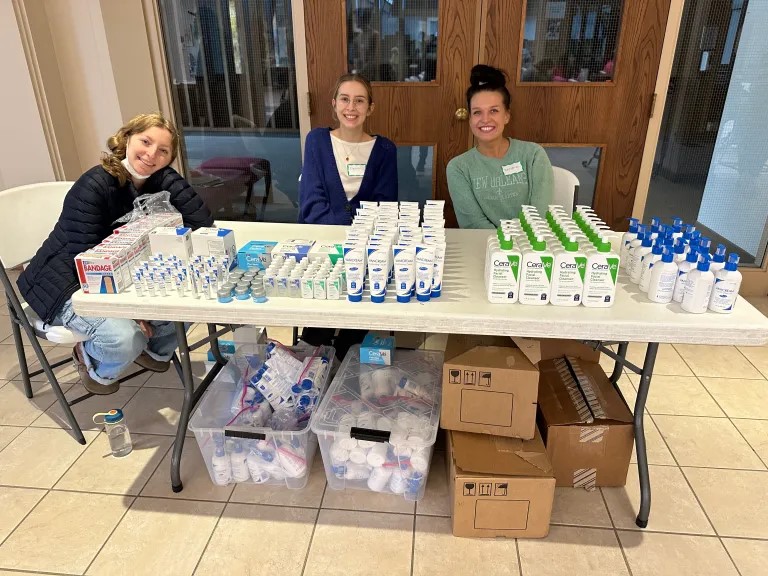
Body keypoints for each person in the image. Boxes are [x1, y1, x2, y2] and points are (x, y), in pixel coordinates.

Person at [17, 113, 213, 395]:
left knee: (192, 300)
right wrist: (132, 313)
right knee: (124, 338)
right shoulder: (95, 184)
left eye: (163, 151)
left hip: (125, 276)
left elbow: (202, 223)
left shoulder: (157, 180)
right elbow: (85, 260)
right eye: (145, 142)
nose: (151, 154)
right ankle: (93, 363)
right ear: (127, 138)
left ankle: (154, 352)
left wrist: (167, 175)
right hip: (65, 281)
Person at [297, 73, 397, 361]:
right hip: (323, 247)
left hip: (366, 251)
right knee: (318, 328)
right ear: (334, 104)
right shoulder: (317, 140)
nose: (351, 107)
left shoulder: (385, 149)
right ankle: (314, 365)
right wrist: (344, 241)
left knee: (360, 318)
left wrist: (357, 245)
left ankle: (350, 364)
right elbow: (312, 203)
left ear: (370, 108)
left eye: (359, 100)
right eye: (344, 99)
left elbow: (385, 206)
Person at [447, 64, 554, 229]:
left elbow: (539, 216)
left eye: (494, 111)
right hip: (485, 247)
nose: (485, 119)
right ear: (470, 119)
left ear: (506, 116)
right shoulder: (458, 168)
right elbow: (473, 224)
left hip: (531, 246)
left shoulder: (533, 155)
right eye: (477, 112)